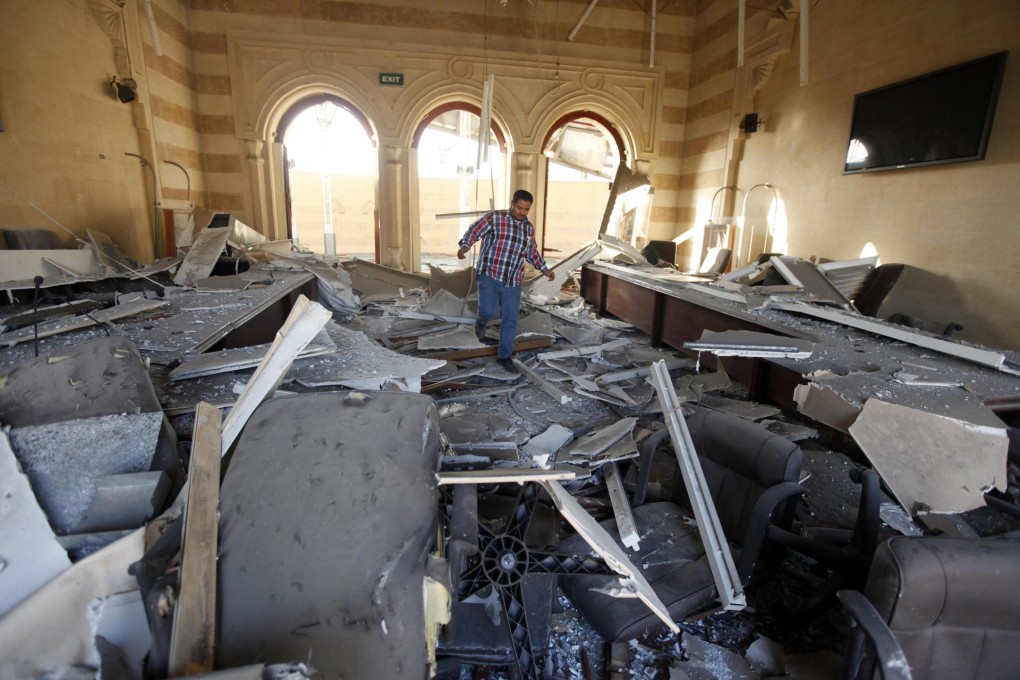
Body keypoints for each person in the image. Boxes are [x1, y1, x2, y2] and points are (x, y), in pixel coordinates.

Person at [457, 189, 555, 373]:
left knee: (511, 319)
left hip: (513, 279)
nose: (522, 212)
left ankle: (504, 356)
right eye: (519, 208)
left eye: (526, 209)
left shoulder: (528, 228)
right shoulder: (495, 218)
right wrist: (464, 246)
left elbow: (531, 252)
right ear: (512, 203)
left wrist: (545, 269)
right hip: (490, 274)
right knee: (488, 310)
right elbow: (474, 230)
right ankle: (480, 325)